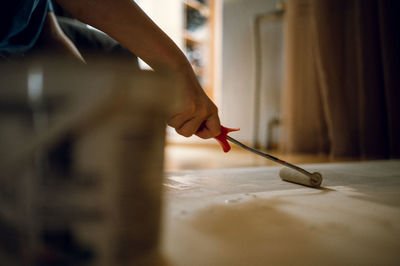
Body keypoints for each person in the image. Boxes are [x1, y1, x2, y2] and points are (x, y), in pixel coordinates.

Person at [0, 0, 221, 139]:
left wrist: (90, 94)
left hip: (18, 44)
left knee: (114, 52)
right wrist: (177, 69)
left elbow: (49, 33)